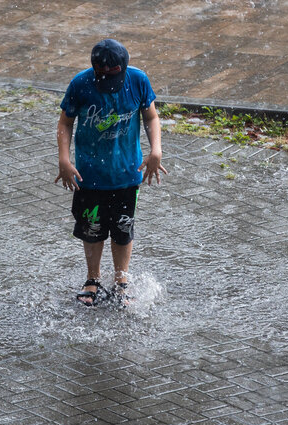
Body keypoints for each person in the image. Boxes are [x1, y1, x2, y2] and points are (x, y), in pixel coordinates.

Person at [55, 39, 167, 307]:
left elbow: (151, 117)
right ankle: (92, 279)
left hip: (126, 174)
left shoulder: (138, 80)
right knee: (92, 229)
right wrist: (63, 159)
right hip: (89, 176)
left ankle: (121, 281)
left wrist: (156, 150)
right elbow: (65, 122)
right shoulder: (81, 84)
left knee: (122, 228)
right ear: (94, 69)